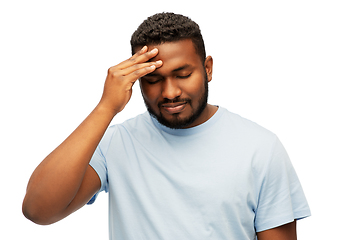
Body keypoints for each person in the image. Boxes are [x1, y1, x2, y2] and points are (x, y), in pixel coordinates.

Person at [22, 12, 310, 240]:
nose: (170, 92)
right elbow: (37, 210)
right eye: (153, 80)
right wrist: (105, 108)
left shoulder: (260, 148)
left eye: (183, 74)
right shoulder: (116, 143)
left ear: (207, 68)